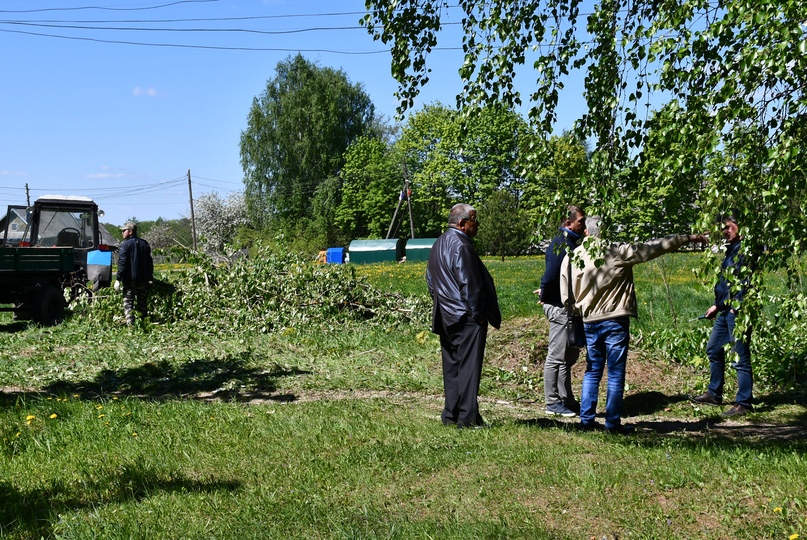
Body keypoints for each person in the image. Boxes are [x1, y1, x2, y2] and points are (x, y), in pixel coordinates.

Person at [562, 217, 706, 434]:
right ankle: (612, 424)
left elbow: (566, 290)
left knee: (592, 371)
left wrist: (576, 311)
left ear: (586, 233)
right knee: (616, 373)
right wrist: (687, 238)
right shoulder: (616, 251)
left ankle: (587, 421)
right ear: (606, 232)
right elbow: (654, 247)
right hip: (615, 320)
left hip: (589, 320)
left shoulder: (575, 255)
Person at [427, 203, 501, 428]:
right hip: (466, 317)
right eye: (474, 221)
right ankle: (467, 420)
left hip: (445, 315)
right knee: (469, 369)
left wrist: (443, 303)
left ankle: (451, 415)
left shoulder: (438, 243)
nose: (477, 225)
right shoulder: (461, 245)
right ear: (462, 223)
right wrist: (478, 315)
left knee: (452, 369)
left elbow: (430, 280)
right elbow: (469, 283)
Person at [690, 213, 753, 417]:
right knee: (713, 349)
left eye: (728, 227)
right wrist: (717, 305)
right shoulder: (731, 250)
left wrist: (738, 306)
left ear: (740, 227)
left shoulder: (747, 251)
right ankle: (714, 394)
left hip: (738, 312)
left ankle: (744, 403)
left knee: (740, 358)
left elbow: (747, 282)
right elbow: (727, 283)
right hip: (725, 310)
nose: (725, 232)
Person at [534, 205, 587, 417]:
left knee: (567, 357)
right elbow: (551, 275)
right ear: (568, 223)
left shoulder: (572, 244)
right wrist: (546, 295)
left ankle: (567, 399)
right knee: (556, 357)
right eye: (581, 222)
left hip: (570, 309)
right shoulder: (561, 245)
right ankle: (552, 402)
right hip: (559, 307)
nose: (584, 227)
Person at [116, 221, 154, 326]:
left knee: (128, 304)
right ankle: (144, 324)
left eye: (124, 230)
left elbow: (122, 263)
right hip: (143, 280)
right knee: (143, 304)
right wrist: (150, 277)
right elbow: (149, 262)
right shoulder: (144, 243)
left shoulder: (125, 245)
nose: (122, 233)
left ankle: (131, 326)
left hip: (130, 281)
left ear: (130, 231)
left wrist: (118, 279)